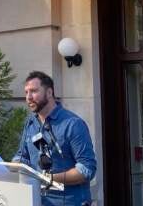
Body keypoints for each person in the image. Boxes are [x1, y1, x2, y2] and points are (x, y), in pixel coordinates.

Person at [13, 71, 97, 206]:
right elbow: (23, 156)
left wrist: (48, 179)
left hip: (70, 202)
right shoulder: (30, 124)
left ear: (49, 92)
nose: (28, 97)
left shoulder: (73, 124)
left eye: (34, 91)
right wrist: (14, 166)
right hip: (37, 201)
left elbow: (87, 169)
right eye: (26, 92)